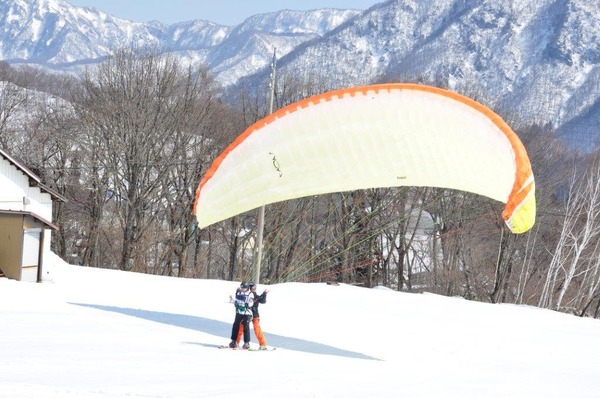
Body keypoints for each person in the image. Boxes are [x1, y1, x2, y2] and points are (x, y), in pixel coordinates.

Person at [236, 282, 269, 350]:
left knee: (257, 329)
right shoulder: (246, 295)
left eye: (255, 288)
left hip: (254, 315)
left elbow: (263, 301)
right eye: (253, 288)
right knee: (241, 328)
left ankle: (263, 344)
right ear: (249, 288)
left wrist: (264, 294)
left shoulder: (256, 296)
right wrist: (238, 291)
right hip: (245, 314)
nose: (254, 289)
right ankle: (236, 342)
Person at [228, 282, 254, 349]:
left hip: (247, 313)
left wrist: (248, 304)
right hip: (239, 312)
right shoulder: (239, 293)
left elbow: (251, 303)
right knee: (235, 325)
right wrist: (232, 300)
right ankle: (233, 341)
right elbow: (236, 301)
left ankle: (246, 343)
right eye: (242, 288)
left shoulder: (250, 294)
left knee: (246, 327)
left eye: (244, 288)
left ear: (247, 288)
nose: (242, 289)